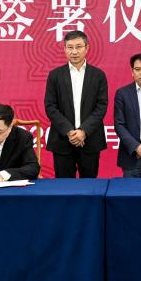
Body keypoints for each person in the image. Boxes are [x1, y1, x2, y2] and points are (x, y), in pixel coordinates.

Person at [44, 30, 108, 178]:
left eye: (78, 47)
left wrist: (83, 131)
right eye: (70, 47)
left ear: (87, 48)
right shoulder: (55, 75)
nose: (74, 52)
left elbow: (101, 106)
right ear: (64, 49)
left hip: (90, 140)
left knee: (90, 187)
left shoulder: (98, 75)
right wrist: (69, 132)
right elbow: (50, 106)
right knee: (64, 187)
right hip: (62, 141)